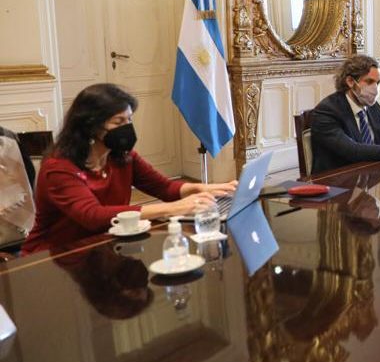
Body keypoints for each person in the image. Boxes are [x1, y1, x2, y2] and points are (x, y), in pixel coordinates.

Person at [23, 84, 236, 255]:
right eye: (119, 122)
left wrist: (204, 188)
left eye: (129, 120)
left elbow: (164, 188)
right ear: (91, 126)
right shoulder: (58, 167)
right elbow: (93, 216)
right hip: (54, 257)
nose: (127, 128)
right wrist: (172, 209)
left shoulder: (123, 156)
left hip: (103, 247)